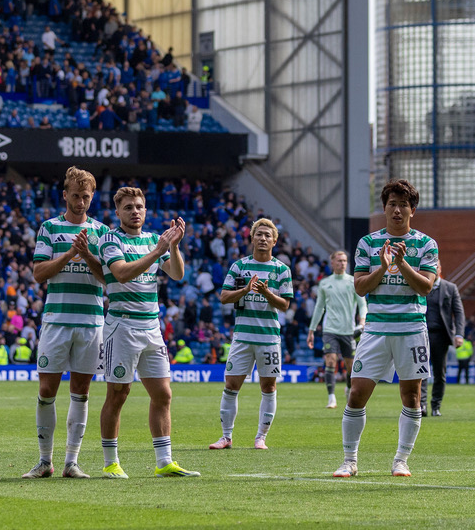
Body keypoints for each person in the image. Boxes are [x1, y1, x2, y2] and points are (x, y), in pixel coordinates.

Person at [333, 179, 437, 479]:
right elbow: (360, 288)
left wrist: (402, 264)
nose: (397, 210)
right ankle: (349, 460)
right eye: (392, 204)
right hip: (376, 329)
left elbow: (426, 287)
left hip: (411, 329)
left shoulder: (426, 244)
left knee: (412, 396)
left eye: (403, 205)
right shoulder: (368, 243)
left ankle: (401, 460)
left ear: (413, 210)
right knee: (356, 393)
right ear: (384, 207)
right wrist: (383, 266)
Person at [97, 186, 199, 478]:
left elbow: (177, 274)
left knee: (163, 394)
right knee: (119, 393)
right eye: (128, 207)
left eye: (139, 206)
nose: (135, 212)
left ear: (146, 210)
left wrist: (173, 247)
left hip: (152, 327)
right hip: (122, 326)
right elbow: (121, 273)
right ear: (117, 212)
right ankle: (110, 462)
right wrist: (158, 251)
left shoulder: (155, 239)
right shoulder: (110, 240)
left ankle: (164, 461)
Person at [23, 167, 109, 480]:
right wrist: (71, 252)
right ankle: (44, 461)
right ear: (65, 195)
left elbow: (109, 279)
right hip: (56, 320)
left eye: (86, 196)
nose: (80, 201)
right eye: (75, 195)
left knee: (81, 391)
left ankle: (71, 462)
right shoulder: (50, 228)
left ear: (92, 197)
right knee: (47, 389)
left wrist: (87, 255)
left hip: (90, 321)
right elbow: (39, 273)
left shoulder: (102, 232)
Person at [209, 218, 294, 451]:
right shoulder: (239, 267)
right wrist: (245, 289)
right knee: (231, 384)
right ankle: (226, 437)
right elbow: (224, 297)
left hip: (269, 338)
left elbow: (285, 305)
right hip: (242, 337)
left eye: (268, 235)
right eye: (259, 234)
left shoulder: (282, 269)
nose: (263, 238)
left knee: (268, 387)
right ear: (252, 238)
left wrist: (267, 293)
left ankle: (261, 437)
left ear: (274, 241)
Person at [306, 250, 367, 409]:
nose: (342, 263)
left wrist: (362, 321)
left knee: (350, 366)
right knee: (330, 360)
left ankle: (348, 388)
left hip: (349, 331)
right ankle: (331, 397)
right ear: (332, 263)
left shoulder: (353, 282)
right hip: (330, 329)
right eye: (339, 260)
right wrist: (312, 330)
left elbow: (362, 305)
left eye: (344, 261)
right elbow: (319, 308)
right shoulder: (325, 283)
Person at [422, 264, 464, 417]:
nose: (433, 269)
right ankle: (421, 405)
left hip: (441, 336)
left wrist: (459, 334)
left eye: (436, 266)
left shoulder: (450, 288)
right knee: (421, 371)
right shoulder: (419, 285)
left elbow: (459, 313)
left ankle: (436, 406)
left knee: (440, 373)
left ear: (440, 269)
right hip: (421, 335)